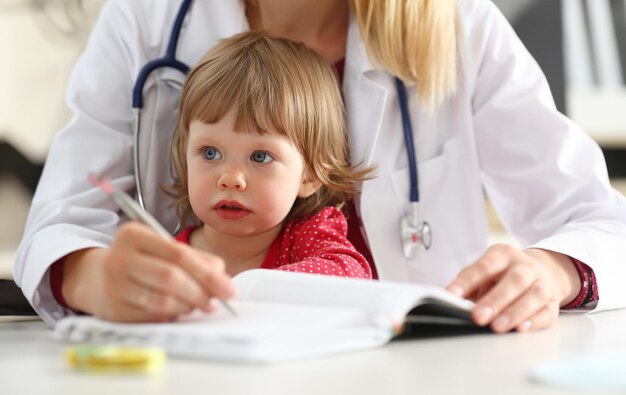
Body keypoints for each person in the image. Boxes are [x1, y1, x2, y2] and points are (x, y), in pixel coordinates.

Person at [14, 0, 626, 333]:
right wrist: (91, 277)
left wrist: (553, 270)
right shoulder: (147, 20)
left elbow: (599, 221)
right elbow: (61, 224)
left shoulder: (460, 23)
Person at [168, 32, 372, 280]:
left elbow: (351, 273)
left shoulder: (305, 239)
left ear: (309, 176)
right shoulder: (167, 260)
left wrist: (260, 285)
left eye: (260, 157)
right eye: (210, 153)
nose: (231, 179)